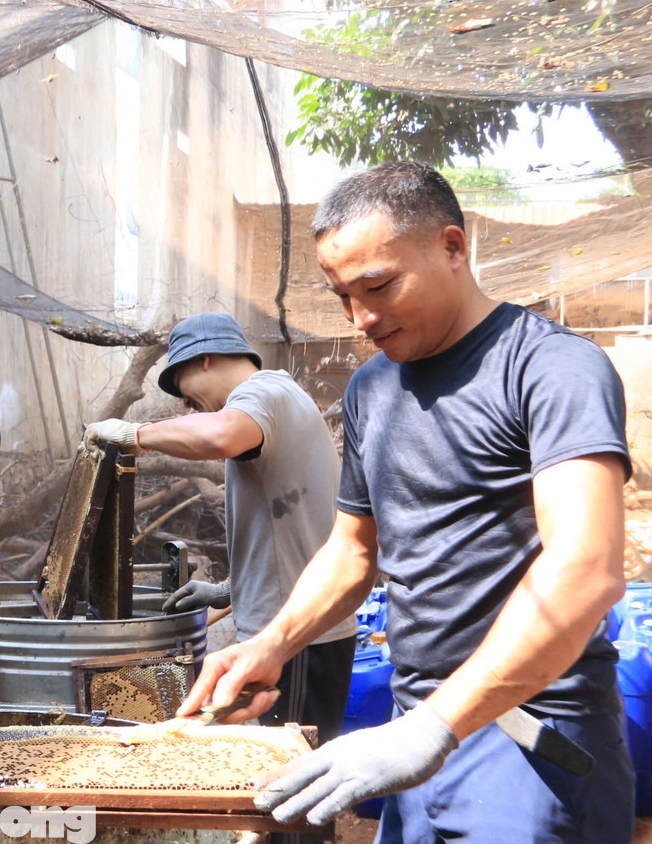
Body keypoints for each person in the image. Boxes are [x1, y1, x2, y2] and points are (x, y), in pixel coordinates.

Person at [179, 162, 634, 842]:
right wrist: (272, 642)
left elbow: (586, 569)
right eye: (341, 295)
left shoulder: (550, 368)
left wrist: (435, 725)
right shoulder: (372, 388)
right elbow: (353, 549)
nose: (360, 316)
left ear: (453, 247)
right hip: (412, 737)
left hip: (528, 736)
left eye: (379, 285)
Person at [83, 312, 356, 747]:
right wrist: (230, 589)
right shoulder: (276, 401)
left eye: (182, 387)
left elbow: (222, 436)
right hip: (292, 630)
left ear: (206, 359)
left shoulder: (262, 392)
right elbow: (292, 529)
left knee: (299, 768)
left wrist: (135, 433)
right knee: (283, 765)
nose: (187, 404)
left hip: (299, 635)